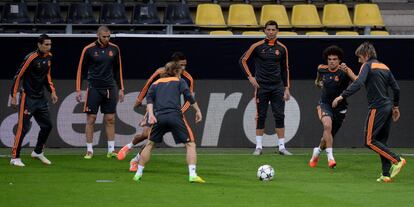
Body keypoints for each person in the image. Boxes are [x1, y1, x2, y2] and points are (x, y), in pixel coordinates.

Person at [332, 42, 406, 182]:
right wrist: (395, 107)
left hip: (377, 107)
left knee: (369, 141)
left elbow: (359, 83)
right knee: (381, 142)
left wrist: (342, 96)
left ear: (366, 55)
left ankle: (397, 160)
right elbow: (396, 89)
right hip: (388, 107)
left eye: (359, 57)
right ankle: (386, 174)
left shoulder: (367, 65)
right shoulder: (384, 67)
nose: (359, 60)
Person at [117, 52, 194, 172]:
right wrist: (139, 99)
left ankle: (135, 160)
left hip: (172, 112)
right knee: (146, 134)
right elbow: (148, 86)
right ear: (174, 64)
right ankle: (129, 146)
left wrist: (180, 111)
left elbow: (189, 99)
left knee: (151, 139)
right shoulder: (160, 72)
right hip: (154, 109)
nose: (184, 68)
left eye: (185, 65)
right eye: (181, 65)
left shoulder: (188, 78)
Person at [132, 61, 204, 183]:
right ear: (176, 71)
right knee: (190, 144)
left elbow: (149, 101)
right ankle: (192, 174)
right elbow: (189, 97)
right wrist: (198, 111)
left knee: (149, 145)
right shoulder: (180, 81)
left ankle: (138, 174)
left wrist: (151, 116)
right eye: (180, 71)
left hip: (159, 117)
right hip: (175, 116)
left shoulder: (155, 83)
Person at [240, 20, 292, 155]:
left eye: (273, 30)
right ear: (264, 31)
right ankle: (258, 147)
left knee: (279, 115)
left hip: (277, 87)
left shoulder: (282, 48)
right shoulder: (257, 46)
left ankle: (281, 147)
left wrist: (286, 88)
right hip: (261, 87)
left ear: (277, 31)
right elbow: (242, 60)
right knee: (261, 115)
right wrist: (250, 77)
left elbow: (285, 69)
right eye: (268, 30)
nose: (270, 32)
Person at [76, 25, 124, 159]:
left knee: (110, 119)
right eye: (104, 36)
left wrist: (121, 88)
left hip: (110, 88)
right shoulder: (89, 49)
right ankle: (89, 150)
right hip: (94, 88)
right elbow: (81, 69)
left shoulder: (114, 49)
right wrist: (78, 89)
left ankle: (111, 150)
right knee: (91, 119)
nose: (107, 39)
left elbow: (118, 70)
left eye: (109, 36)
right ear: (98, 35)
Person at [10, 34, 58, 167]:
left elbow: (47, 76)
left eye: (50, 44)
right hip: (28, 98)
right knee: (23, 128)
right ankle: (15, 157)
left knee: (47, 125)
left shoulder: (49, 57)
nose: (48, 47)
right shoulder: (31, 58)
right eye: (46, 44)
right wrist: (13, 95)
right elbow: (18, 76)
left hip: (41, 98)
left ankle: (37, 152)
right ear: (39, 44)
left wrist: (52, 91)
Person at [309, 46, 357, 168]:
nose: (331, 61)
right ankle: (331, 158)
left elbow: (358, 81)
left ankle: (317, 151)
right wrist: (318, 83)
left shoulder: (344, 71)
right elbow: (317, 81)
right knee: (327, 125)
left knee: (327, 137)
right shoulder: (321, 68)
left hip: (340, 108)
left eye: (334, 59)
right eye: (329, 59)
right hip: (324, 104)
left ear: (339, 60)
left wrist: (349, 71)